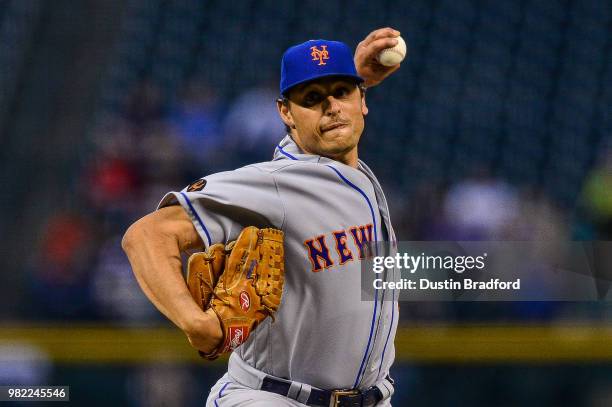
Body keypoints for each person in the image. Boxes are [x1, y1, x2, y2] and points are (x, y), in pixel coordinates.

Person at [122, 27, 402, 406]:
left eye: (342, 92)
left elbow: (333, 122)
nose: (332, 106)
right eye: (312, 98)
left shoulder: (351, 172)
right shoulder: (276, 185)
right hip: (273, 398)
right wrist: (195, 321)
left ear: (362, 99)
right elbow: (146, 235)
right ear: (285, 112)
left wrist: (352, 78)